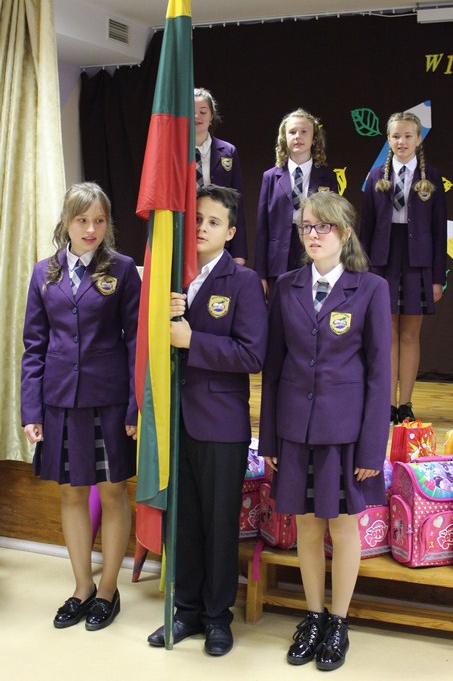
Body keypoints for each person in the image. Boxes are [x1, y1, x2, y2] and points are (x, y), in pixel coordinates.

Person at [259, 191, 390, 671]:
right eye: (306, 227)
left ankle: (338, 621)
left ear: (345, 232)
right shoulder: (286, 286)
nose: (313, 235)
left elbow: (379, 374)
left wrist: (372, 447)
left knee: (343, 525)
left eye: (323, 226)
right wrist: (268, 437)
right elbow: (274, 368)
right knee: (307, 525)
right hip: (295, 428)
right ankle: (313, 615)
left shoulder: (371, 288)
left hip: (344, 432)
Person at [147, 185, 268, 655]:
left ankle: (219, 617)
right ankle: (187, 610)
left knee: (219, 525)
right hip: (173, 420)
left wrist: (192, 340)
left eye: (213, 222)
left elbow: (252, 354)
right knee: (183, 521)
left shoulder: (243, 282)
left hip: (220, 423)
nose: (201, 228)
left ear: (230, 232)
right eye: (196, 219)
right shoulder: (171, 277)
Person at [21, 182, 141, 630]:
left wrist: (135, 406)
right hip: (59, 401)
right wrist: (31, 410)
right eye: (82, 220)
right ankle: (82, 587)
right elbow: (34, 347)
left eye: (99, 220)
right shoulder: (44, 272)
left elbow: (137, 344)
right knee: (70, 493)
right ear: (67, 222)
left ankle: (108, 590)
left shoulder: (122, 269)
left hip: (109, 399)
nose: (91, 229)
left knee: (112, 491)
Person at [360, 111, 447, 425]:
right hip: (382, 260)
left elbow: (438, 231)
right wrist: (362, 272)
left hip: (417, 260)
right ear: (388, 139)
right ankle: (386, 403)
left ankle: (405, 404)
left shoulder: (431, 177)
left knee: (409, 334)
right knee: (386, 335)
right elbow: (366, 228)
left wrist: (436, 278)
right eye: (396, 136)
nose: (402, 142)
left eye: (408, 136)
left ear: (419, 139)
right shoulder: (375, 177)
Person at [254, 108, 339, 301]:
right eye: (292, 132)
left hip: (314, 248)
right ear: (284, 138)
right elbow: (262, 228)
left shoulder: (328, 176)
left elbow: (334, 224)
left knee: (309, 307)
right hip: (278, 257)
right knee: (279, 309)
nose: (298, 136)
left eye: (304, 132)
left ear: (314, 138)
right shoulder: (270, 177)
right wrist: (261, 273)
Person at [194, 87, 248, 265]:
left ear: (212, 117)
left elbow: (237, 203)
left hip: (218, 231)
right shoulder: (174, 151)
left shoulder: (228, 151)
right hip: (187, 232)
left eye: (203, 112)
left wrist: (239, 252)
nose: (197, 116)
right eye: (191, 112)